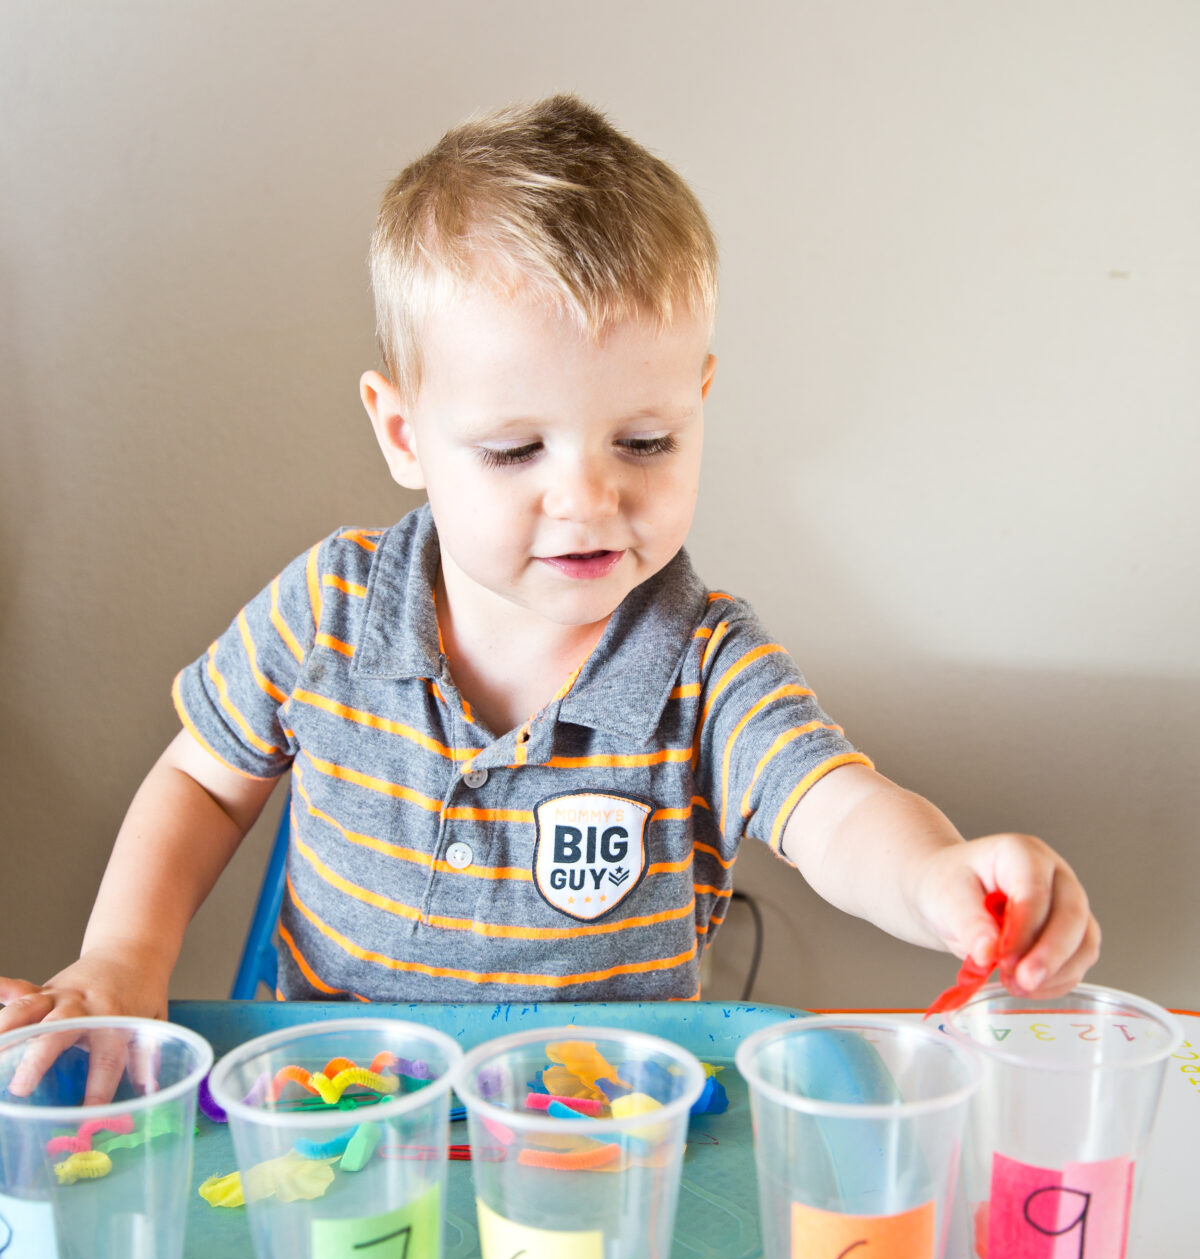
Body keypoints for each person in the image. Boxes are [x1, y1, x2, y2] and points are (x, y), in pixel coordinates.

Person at [0, 95, 1098, 1100]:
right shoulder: (327, 609)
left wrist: (938, 876)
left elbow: (837, 810)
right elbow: (203, 779)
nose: (587, 498)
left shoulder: (704, 664)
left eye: (645, 439)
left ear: (699, 400)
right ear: (404, 435)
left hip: (603, 1146)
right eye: (516, 449)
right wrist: (122, 958)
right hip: (342, 1124)